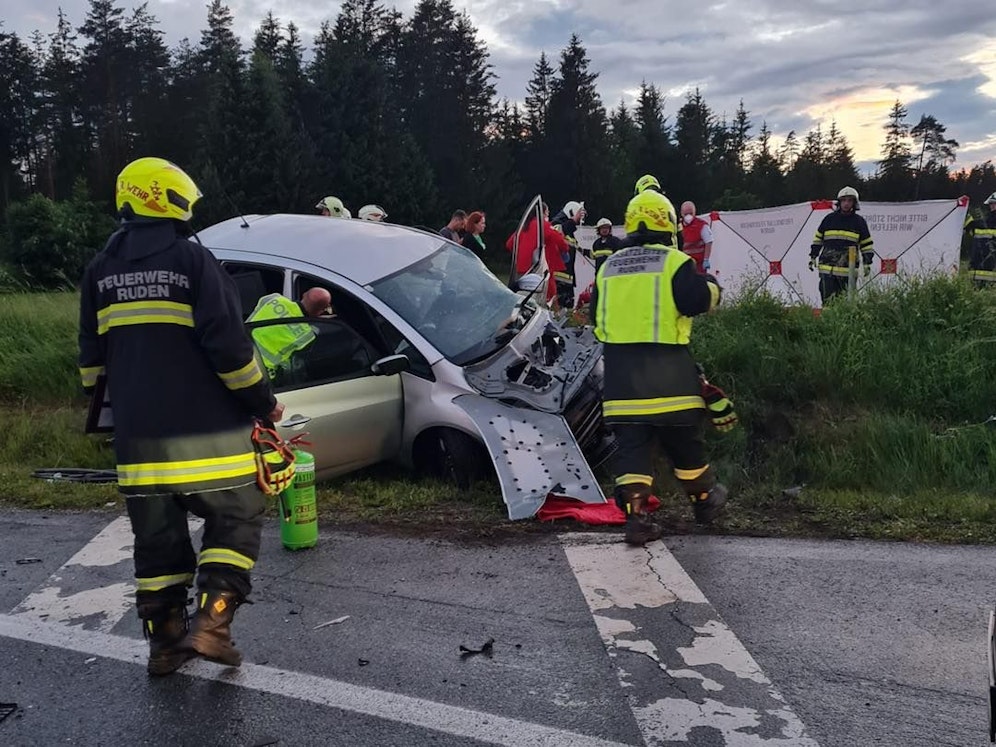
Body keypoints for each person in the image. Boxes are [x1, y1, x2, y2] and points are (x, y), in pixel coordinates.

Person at [78, 157, 285, 675]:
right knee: (236, 520)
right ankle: (212, 628)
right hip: (209, 437)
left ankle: (165, 647)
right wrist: (264, 401)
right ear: (171, 199)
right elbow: (231, 351)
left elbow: (91, 368)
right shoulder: (192, 261)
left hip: (139, 447)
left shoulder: (99, 270)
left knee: (157, 547)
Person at [593, 180, 727, 546]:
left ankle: (637, 517)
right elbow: (698, 300)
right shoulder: (675, 262)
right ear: (667, 223)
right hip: (670, 377)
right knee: (685, 443)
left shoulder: (609, 268)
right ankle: (704, 501)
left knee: (632, 448)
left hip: (621, 379)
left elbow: (595, 319)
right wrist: (713, 285)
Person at [247, 288, 334, 378]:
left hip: (236, 350)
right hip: (259, 372)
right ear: (321, 311)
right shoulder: (307, 335)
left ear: (304, 294)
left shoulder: (273, 298)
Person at [809, 186, 874, 304]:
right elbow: (818, 239)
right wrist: (813, 256)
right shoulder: (829, 219)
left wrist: (867, 262)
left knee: (847, 303)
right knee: (827, 302)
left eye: (850, 200)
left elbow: (866, 244)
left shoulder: (859, 222)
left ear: (854, 203)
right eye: (844, 200)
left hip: (847, 271)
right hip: (827, 270)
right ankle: (828, 322)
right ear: (839, 202)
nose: (846, 203)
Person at [505, 202, 570, 307]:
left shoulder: (523, 226)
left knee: (521, 299)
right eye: (547, 212)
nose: (548, 214)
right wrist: (565, 249)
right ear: (542, 213)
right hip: (538, 268)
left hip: (520, 269)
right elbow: (559, 240)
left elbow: (510, 244)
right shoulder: (543, 225)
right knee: (549, 297)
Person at [550, 200, 586, 309]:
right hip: (558, 277)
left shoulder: (570, 232)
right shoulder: (556, 224)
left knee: (567, 308)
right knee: (558, 309)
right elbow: (557, 234)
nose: (581, 217)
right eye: (579, 213)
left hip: (567, 277)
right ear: (572, 212)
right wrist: (573, 220)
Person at [965, 192, 996, 287]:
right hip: (978, 266)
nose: (991, 206)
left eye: (993, 204)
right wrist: (963, 209)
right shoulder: (982, 222)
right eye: (991, 204)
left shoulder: (983, 223)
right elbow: (968, 227)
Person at [680, 201, 713, 274]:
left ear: (694, 212)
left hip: (699, 265)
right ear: (681, 213)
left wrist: (706, 259)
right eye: (686, 214)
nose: (688, 216)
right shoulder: (678, 226)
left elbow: (709, 242)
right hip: (683, 263)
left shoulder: (701, 225)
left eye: (691, 213)